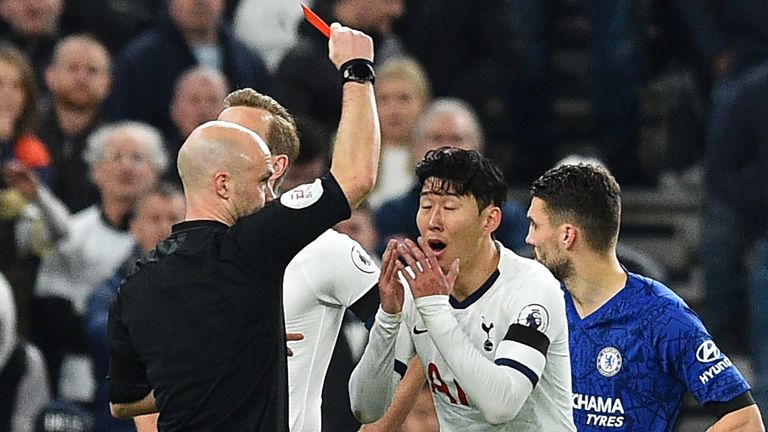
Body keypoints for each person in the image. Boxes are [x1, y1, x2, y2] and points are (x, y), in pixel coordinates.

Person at [107, 22, 380, 432]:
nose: (269, 194)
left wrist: (222, 363)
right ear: (222, 182)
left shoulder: (136, 283)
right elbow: (355, 177)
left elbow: (123, 403)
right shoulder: (252, 249)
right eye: (260, 181)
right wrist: (356, 69)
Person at [525, 163, 765, 431]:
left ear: (567, 235)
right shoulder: (539, 305)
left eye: (535, 225)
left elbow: (745, 421)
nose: (529, 238)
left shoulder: (662, 316)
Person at [349, 147, 576, 430]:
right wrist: (388, 318)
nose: (433, 222)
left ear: (490, 220)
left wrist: (434, 309)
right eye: (427, 206)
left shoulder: (533, 288)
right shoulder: (414, 290)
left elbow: (501, 405)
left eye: (449, 208)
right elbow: (365, 407)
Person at [9, 121, 166, 403]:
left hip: (160, 385)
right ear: (94, 170)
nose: (126, 167)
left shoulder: (174, 238)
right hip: (80, 385)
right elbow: (55, 317)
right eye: (115, 157)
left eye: (137, 158)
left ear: (156, 171)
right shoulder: (71, 233)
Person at [85, 183, 185, 432]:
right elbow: (100, 333)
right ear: (134, 227)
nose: (165, 228)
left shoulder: (208, 285)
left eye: (174, 219)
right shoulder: (112, 288)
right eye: (155, 219)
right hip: (121, 421)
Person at [374, 98, 529, 256]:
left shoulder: (507, 216)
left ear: (478, 148)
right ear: (416, 147)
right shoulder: (391, 215)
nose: (447, 149)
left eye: (457, 139)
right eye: (437, 138)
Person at [38, 34, 112, 212]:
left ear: (108, 83)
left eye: (92, 71)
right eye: (72, 68)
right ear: (50, 76)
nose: (81, 78)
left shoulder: (114, 144)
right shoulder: (27, 132)